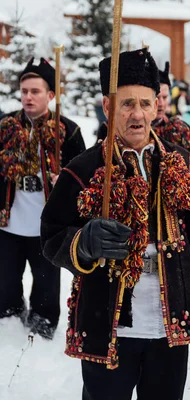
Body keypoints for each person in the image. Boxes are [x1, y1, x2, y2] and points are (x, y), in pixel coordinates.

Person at [40, 48, 190, 400]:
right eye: (126, 103)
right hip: (107, 323)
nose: (137, 114)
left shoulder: (184, 163)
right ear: (107, 106)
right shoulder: (83, 169)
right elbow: (51, 234)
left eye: (146, 104)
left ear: (157, 107)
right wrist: (82, 242)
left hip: (169, 322)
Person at [0, 57, 85, 339]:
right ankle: (9, 316)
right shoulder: (5, 126)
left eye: (35, 91)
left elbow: (85, 178)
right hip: (8, 221)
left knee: (46, 281)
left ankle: (44, 321)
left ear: (50, 95)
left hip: (46, 224)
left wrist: (65, 184)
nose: (28, 97)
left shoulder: (68, 131)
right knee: (6, 279)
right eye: (24, 91)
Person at [96, 61, 190, 164]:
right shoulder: (111, 129)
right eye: (157, 97)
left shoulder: (182, 130)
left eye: (165, 97)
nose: (161, 103)